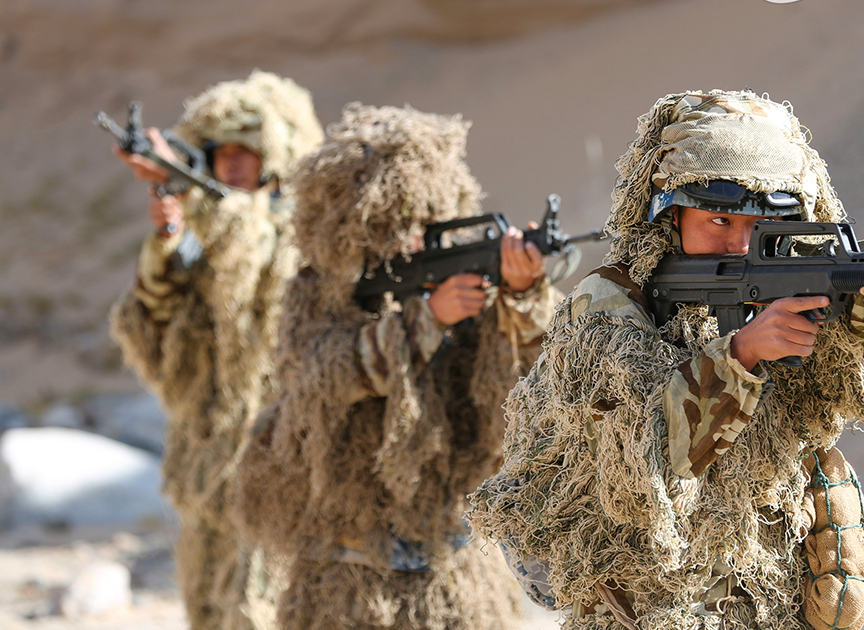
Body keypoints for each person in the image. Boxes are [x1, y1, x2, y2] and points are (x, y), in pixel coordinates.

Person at [470, 90, 864, 630]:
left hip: (769, 601)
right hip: (651, 608)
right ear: (669, 214)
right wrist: (742, 354)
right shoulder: (606, 306)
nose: (739, 244)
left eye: (760, 225)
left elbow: (858, 375)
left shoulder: (787, 278)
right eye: (718, 221)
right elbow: (646, 459)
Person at [231, 102, 563, 630]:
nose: (410, 238)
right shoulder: (318, 293)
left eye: (425, 222)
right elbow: (322, 376)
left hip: (451, 561)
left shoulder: (461, 274)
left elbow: (527, 380)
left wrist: (522, 295)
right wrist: (427, 320)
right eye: (390, 224)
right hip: (345, 569)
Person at [109, 71, 324, 630]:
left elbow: (260, 258)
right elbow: (155, 309)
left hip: (278, 449)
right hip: (208, 448)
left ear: (273, 158)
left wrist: (191, 195)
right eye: (221, 153)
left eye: (245, 152)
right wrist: (169, 236)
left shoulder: (301, 231)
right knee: (206, 600)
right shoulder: (203, 227)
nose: (232, 163)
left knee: (260, 602)